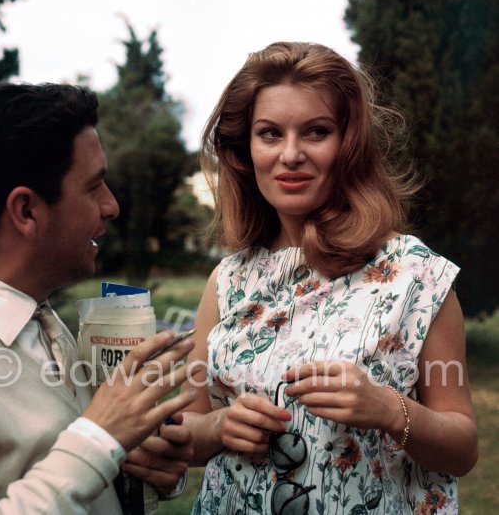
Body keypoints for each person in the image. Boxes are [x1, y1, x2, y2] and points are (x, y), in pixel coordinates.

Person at [181, 42, 478, 514]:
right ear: (245, 149)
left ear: (349, 145)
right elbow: (187, 429)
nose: (291, 154)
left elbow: (462, 449)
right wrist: (217, 428)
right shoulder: (227, 280)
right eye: (270, 134)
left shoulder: (416, 275)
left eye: (316, 132)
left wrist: (386, 409)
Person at [0, 82, 197, 514]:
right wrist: (100, 437)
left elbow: (67, 466)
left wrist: (139, 464)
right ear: (26, 211)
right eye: (95, 186)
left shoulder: (39, 318)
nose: (112, 205)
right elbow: (88, 445)